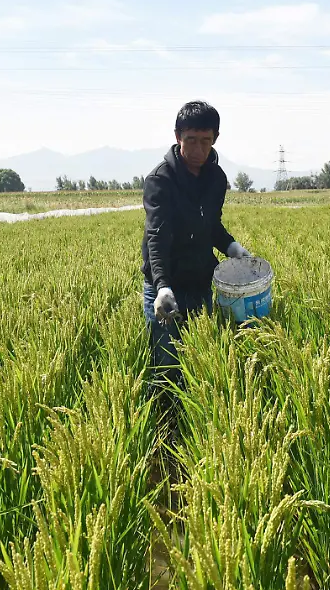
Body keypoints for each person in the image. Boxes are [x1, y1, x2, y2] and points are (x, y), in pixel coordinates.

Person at [141, 100, 251, 423]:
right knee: (167, 364)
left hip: (200, 283)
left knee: (199, 361)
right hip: (167, 288)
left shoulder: (216, 179)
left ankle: (193, 424)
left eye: (206, 140)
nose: (198, 148)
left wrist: (231, 246)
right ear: (178, 137)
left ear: (215, 139)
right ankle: (164, 429)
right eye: (191, 139)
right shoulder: (160, 180)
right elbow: (157, 235)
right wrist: (162, 286)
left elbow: (210, 223)